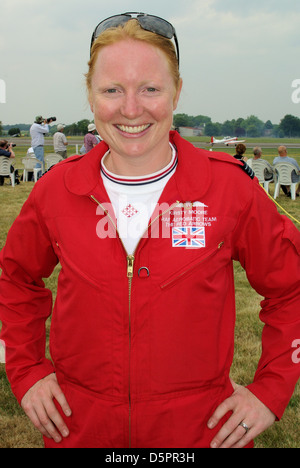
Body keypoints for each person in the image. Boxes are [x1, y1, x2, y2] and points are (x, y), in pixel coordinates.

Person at [0, 13, 299, 449]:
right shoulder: (54, 191)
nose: (131, 108)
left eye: (151, 89)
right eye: (112, 90)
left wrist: (270, 390)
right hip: (81, 430)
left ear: (177, 91)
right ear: (90, 96)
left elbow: (292, 289)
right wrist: (26, 371)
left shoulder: (231, 188)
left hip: (199, 435)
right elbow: (16, 279)